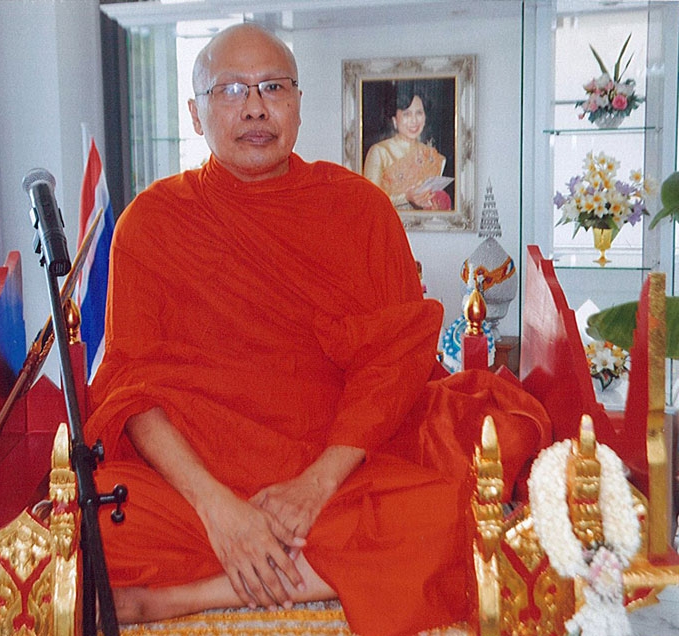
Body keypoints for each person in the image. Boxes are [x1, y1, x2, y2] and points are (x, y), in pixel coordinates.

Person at [85, 23, 550, 636]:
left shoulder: (359, 208)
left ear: (299, 105)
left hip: (333, 466)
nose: (255, 107)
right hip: (197, 486)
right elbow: (131, 388)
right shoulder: (151, 221)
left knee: (454, 498)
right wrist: (220, 510)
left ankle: (180, 597)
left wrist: (315, 485)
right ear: (196, 115)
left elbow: (392, 365)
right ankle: (298, 563)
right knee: (95, 521)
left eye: (273, 87)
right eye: (231, 90)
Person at [363, 81, 452, 210]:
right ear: (395, 120)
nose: (414, 121)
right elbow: (369, 200)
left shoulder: (432, 156)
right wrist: (406, 197)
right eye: (406, 114)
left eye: (419, 113)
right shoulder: (379, 152)